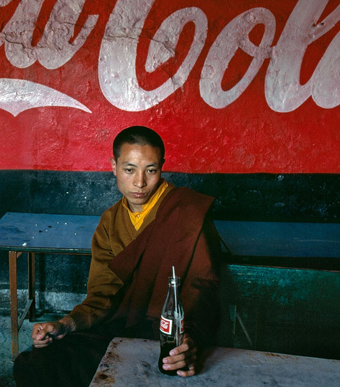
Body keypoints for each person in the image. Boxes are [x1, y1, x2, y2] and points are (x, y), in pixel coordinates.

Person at [13, 126, 221, 387]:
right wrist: (66, 324)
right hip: (119, 327)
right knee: (40, 365)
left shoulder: (186, 212)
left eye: (151, 170)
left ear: (162, 168)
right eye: (129, 169)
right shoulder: (110, 222)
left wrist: (190, 340)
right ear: (114, 166)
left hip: (172, 335)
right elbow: (102, 295)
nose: (140, 182)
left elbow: (204, 288)